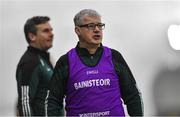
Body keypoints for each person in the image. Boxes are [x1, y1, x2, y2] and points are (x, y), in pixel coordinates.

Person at [47, 9, 143, 116]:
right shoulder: (65, 61)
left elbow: (133, 96)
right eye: (91, 26)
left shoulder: (115, 57)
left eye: (100, 25)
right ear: (78, 30)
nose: (97, 30)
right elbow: (53, 101)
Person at [16, 16, 54, 116]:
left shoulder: (43, 59)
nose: (51, 34)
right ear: (32, 36)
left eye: (51, 30)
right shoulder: (29, 62)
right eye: (46, 31)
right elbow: (25, 102)